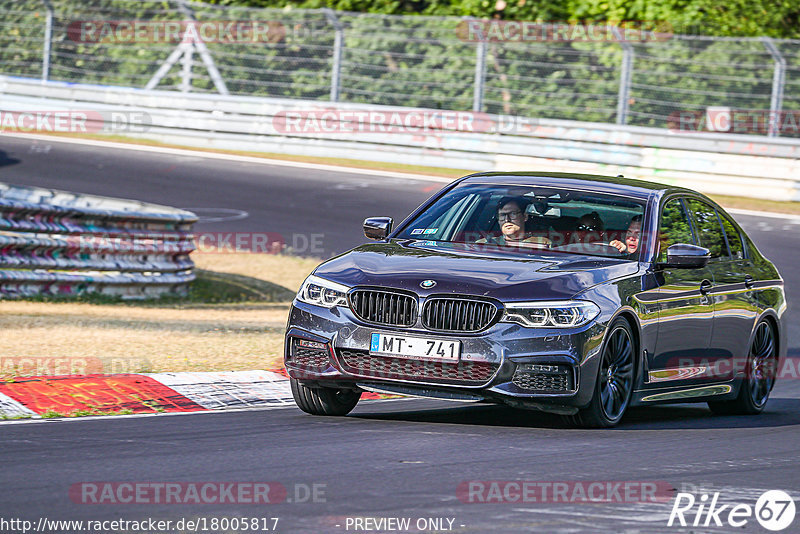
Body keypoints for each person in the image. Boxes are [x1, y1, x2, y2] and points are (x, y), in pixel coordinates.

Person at [476, 196, 551, 248]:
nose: (506, 220)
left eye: (512, 214)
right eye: (502, 215)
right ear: (498, 220)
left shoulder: (542, 243)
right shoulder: (483, 244)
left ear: (525, 216)